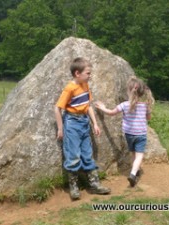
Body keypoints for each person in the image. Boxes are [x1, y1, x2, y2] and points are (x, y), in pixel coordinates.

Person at [54, 57, 111, 200]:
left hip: (84, 122)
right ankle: (73, 187)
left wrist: (95, 123)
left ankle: (95, 184)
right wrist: (60, 129)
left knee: (87, 154)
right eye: (88, 73)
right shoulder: (70, 88)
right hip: (72, 123)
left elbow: (88, 105)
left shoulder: (85, 85)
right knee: (73, 155)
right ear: (77, 73)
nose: (90, 76)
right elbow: (57, 108)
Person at [95, 76, 155, 187]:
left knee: (133, 153)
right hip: (141, 134)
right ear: (142, 92)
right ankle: (133, 174)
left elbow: (111, 112)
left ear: (129, 91)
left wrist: (102, 107)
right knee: (139, 155)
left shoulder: (124, 105)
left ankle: (134, 171)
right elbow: (149, 118)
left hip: (129, 134)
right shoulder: (145, 106)